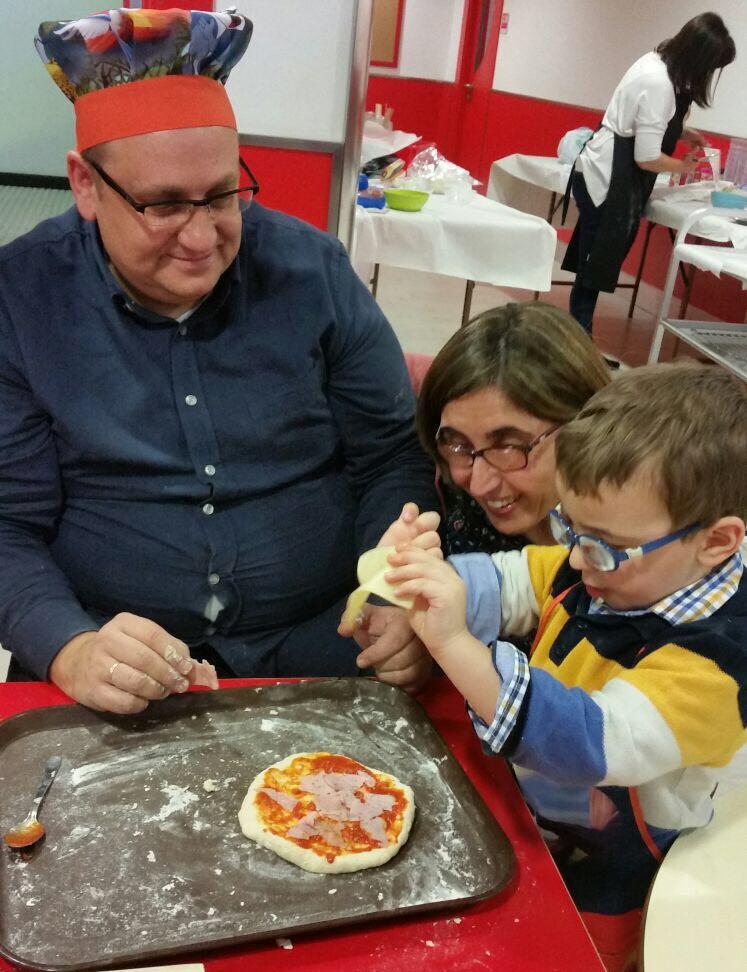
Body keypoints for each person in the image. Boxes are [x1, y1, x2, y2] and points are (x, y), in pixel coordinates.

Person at [0, 8, 438, 714]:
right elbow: (6, 521)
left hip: (325, 646)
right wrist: (68, 646)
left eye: (224, 194)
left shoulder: (312, 271)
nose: (202, 238)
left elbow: (390, 456)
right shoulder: (19, 298)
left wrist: (395, 589)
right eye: (164, 206)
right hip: (117, 659)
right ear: (85, 185)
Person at [388, 363, 747, 972]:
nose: (576, 559)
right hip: (534, 812)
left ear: (716, 542)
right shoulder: (618, 566)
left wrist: (452, 642)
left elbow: (585, 740)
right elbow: (516, 578)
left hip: (619, 869)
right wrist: (424, 578)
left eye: (601, 543)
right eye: (570, 527)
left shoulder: (717, 666)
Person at [563, 12, 736, 333]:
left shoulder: (654, 61)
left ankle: (578, 338)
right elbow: (646, 157)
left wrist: (685, 134)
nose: (710, 75)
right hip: (607, 178)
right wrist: (684, 166)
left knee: (594, 265)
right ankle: (576, 341)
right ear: (699, 58)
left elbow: (640, 120)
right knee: (594, 265)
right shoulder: (659, 82)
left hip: (603, 171)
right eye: (712, 67)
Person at [415, 302, 610, 556]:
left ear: (584, 429)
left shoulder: (640, 545)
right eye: (459, 445)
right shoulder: (449, 502)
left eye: (507, 447)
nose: (478, 486)